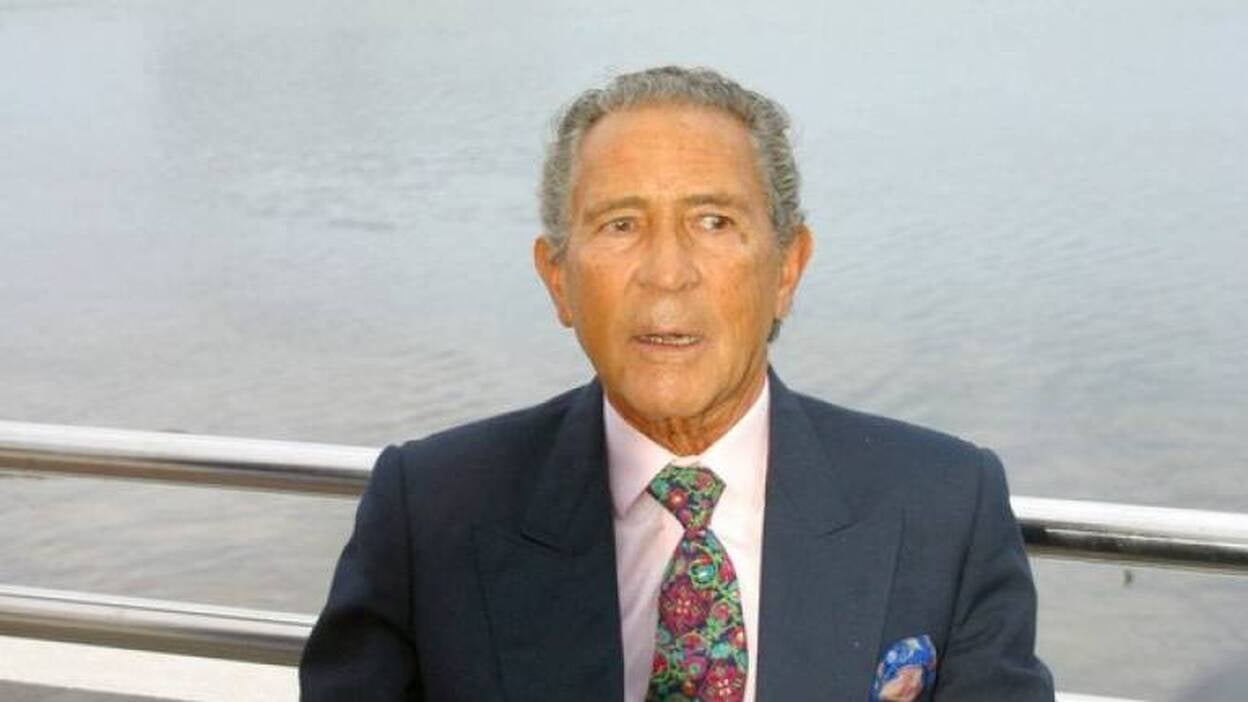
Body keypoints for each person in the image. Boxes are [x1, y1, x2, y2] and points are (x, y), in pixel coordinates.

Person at [299, 65, 1055, 701]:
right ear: (558, 278)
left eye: (714, 222)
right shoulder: (430, 510)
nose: (667, 274)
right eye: (621, 224)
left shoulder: (943, 505)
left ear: (787, 268)